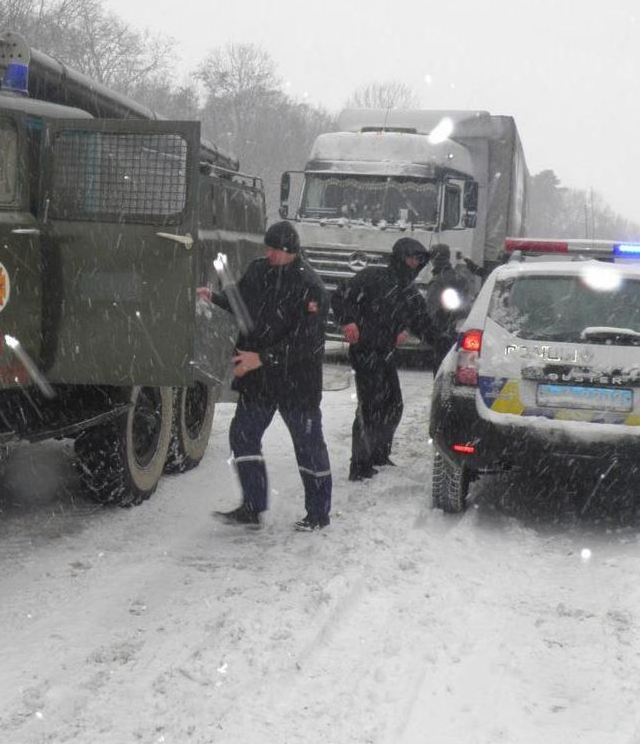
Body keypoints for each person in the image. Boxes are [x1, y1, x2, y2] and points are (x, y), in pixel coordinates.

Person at [199, 221, 331, 530]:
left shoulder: (311, 288)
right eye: (267, 248)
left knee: (308, 446)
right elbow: (242, 304)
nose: (268, 253)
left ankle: (318, 513)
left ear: (290, 251)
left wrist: (263, 357)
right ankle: (251, 506)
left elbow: (307, 342)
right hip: (259, 381)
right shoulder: (259, 270)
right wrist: (214, 297)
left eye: (274, 249)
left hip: (297, 382)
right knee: (243, 436)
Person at [338, 237, 451, 480]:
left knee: (393, 405)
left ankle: (379, 454)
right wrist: (348, 320)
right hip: (364, 350)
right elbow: (340, 295)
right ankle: (359, 464)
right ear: (400, 257)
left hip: (385, 352)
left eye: (419, 260)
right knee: (370, 407)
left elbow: (424, 325)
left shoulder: (409, 293)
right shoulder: (372, 277)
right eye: (411, 257)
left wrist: (449, 343)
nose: (415, 263)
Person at [424, 245, 479, 368]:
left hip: (442, 332)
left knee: (441, 368)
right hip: (461, 330)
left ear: (433, 259)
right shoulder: (461, 278)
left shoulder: (437, 281)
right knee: (460, 368)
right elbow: (467, 305)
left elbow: (432, 309)